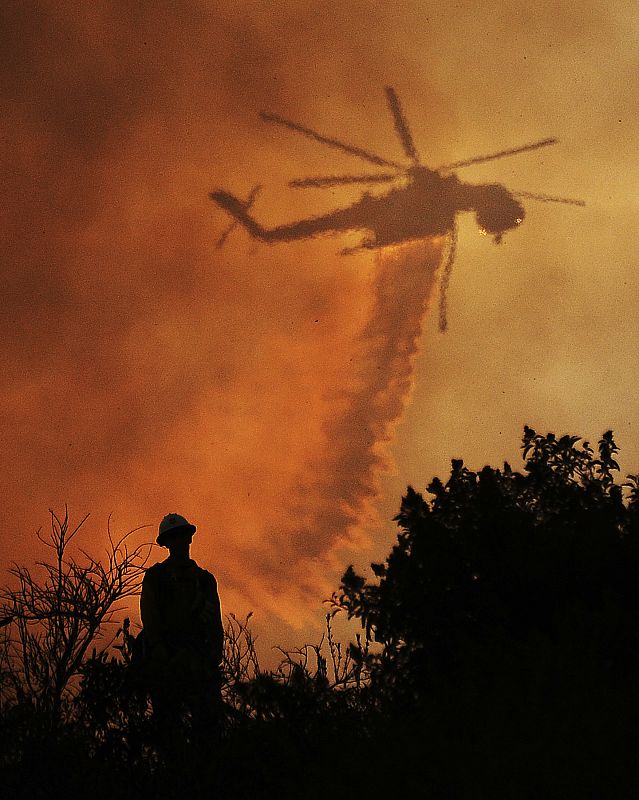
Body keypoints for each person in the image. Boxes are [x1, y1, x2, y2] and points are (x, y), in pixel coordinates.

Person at [140, 513, 224, 750]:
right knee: (168, 731)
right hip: (167, 660)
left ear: (189, 538)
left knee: (208, 731)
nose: (179, 541)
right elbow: (149, 616)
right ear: (166, 543)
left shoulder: (205, 580)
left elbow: (215, 622)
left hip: (200, 662)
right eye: (173, 537)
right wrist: (159, 651)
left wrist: (213, 656)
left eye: (182, 536)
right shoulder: (155, 576)